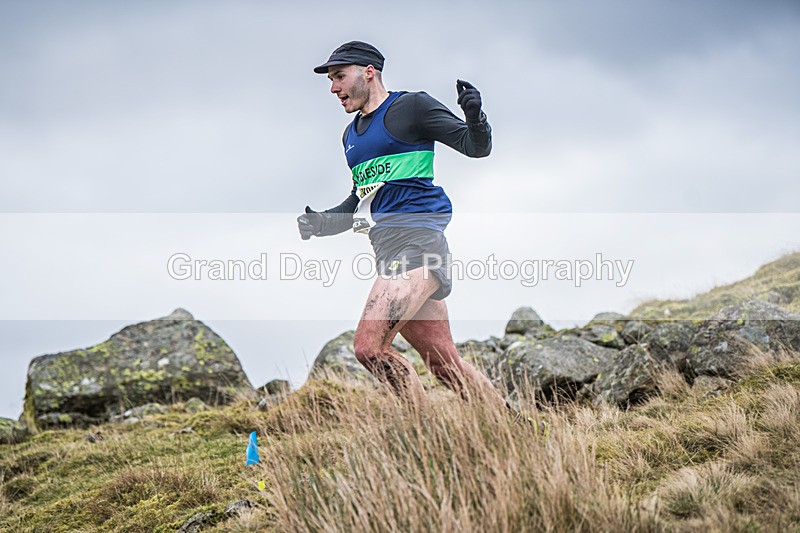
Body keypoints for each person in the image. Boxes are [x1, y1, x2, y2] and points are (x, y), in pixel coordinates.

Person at [298, 41, 504, 408]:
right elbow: (358, 200)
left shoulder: (412, 107)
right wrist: (322, 223)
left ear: (369, 72)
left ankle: (422, 440)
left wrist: (475, 116)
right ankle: (516, 431)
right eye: (330, 80)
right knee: (444, 365)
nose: (333, 88)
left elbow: (476, 147)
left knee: (368, 348)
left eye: (339, 77)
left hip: (419, 246)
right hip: (388, 251)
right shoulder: (351, 137)